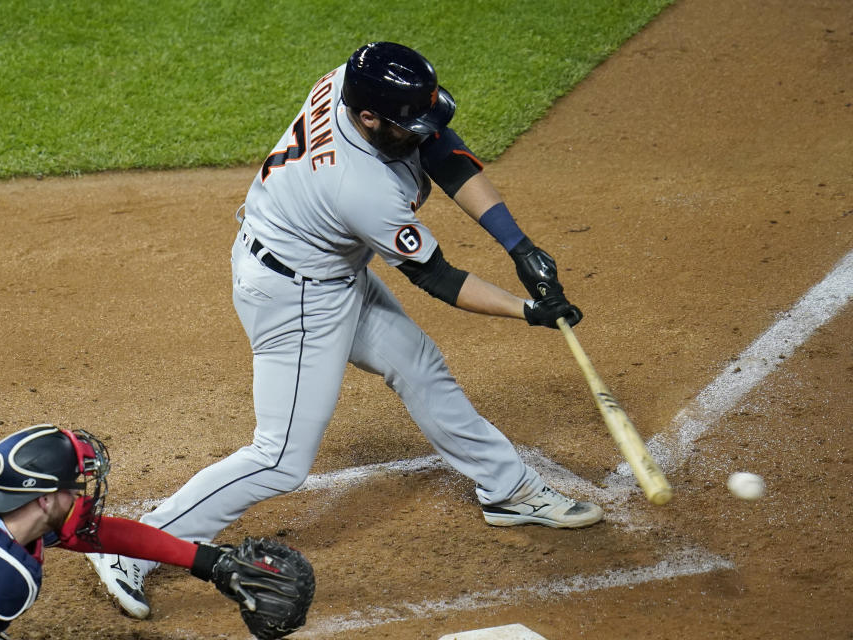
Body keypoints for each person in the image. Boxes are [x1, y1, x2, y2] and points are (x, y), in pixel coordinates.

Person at [89, 41, 603, 619]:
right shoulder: (359, 187)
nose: (418, 132)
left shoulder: (352, 84)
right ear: (369, 119)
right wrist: (527, 310)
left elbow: (442, 148)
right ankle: (129, 545)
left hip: (321, 267)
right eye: (405, 125)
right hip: (297, 296)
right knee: (280, 458)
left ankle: (506, 490)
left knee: (417, 363)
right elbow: (438, 279)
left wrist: (520, 246)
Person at [0, 425, 313, 640]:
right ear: (43, 498)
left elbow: (103, 535)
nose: (85, 493)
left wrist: (204, 561)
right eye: (77, 485)